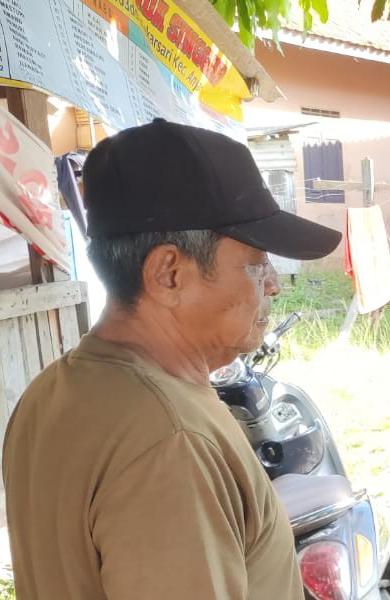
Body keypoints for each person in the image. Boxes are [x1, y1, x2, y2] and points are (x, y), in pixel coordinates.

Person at [3, 119, 343, 599]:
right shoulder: (172, 442)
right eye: (256, 263)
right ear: (168, 273)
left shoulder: (50, 392)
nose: (271, 284)